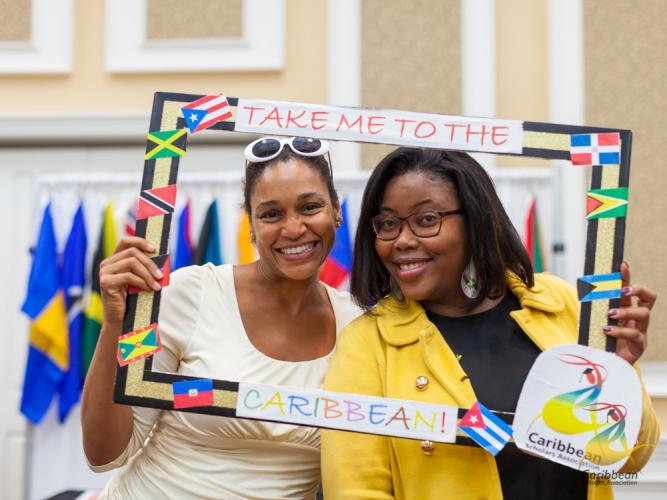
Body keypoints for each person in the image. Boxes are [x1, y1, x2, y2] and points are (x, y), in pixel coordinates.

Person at [321, 147, 659, 500]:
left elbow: (630, 460)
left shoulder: (559, 304)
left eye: (425, 219)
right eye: (388, 223)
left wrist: (620, 372)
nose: (402, 240)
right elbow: (355, 490)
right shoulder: (367, 344)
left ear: (477, 222)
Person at [81, 137, 361, 499]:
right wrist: (116, 325)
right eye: (271, 214)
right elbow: (106, 454)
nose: (293, 229)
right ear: (251, 225)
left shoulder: (356, 326)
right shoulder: (189, 296)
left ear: (336, 210)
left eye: (309, 207)